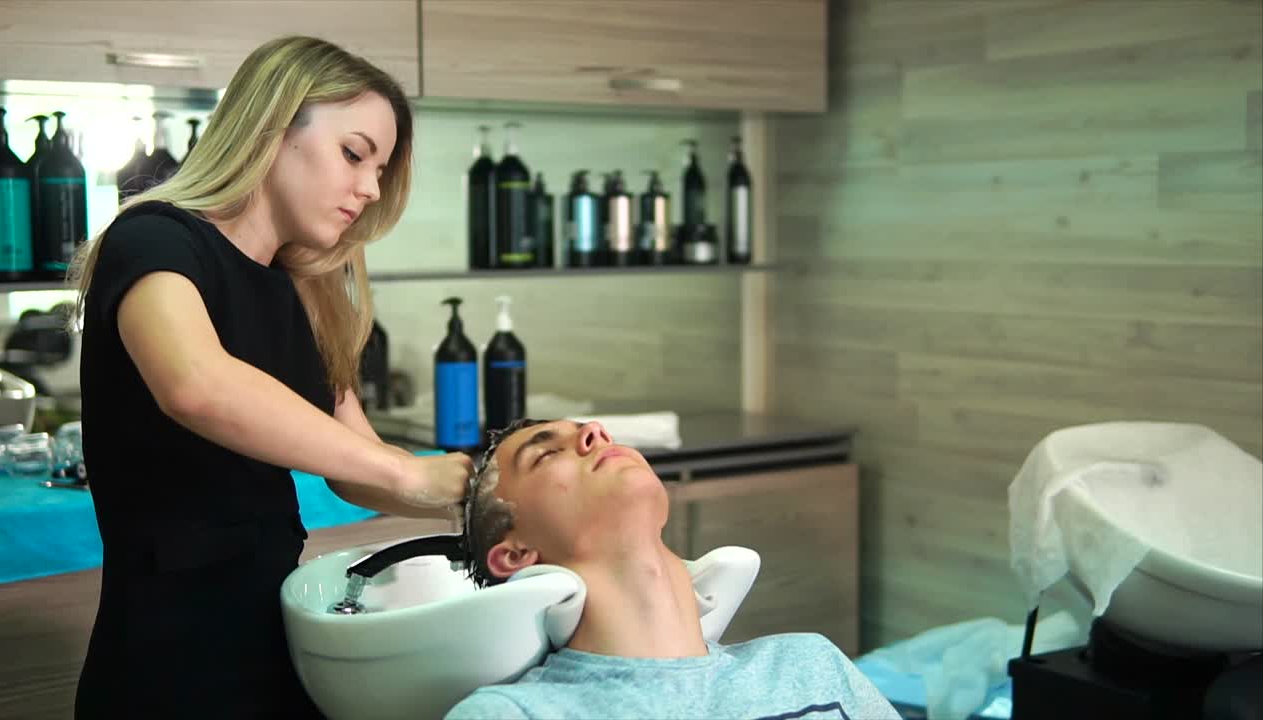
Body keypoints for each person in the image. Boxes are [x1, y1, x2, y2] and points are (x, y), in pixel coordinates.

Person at [68, 36, 474, 719]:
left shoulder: (304, 289)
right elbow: (198, 385)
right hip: (167, 666)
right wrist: (411, 475)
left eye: (380, 169)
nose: (370, 189)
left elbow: (358, 469)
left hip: (278, 642)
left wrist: (487, 497)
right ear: (273, 127)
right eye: (354, 154)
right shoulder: (154, 241)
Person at [446, 419, 901, 720]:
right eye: (545, 455)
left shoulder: (811, 665)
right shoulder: (514, 715)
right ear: (516, 554)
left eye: (591, 431)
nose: (595, 434)